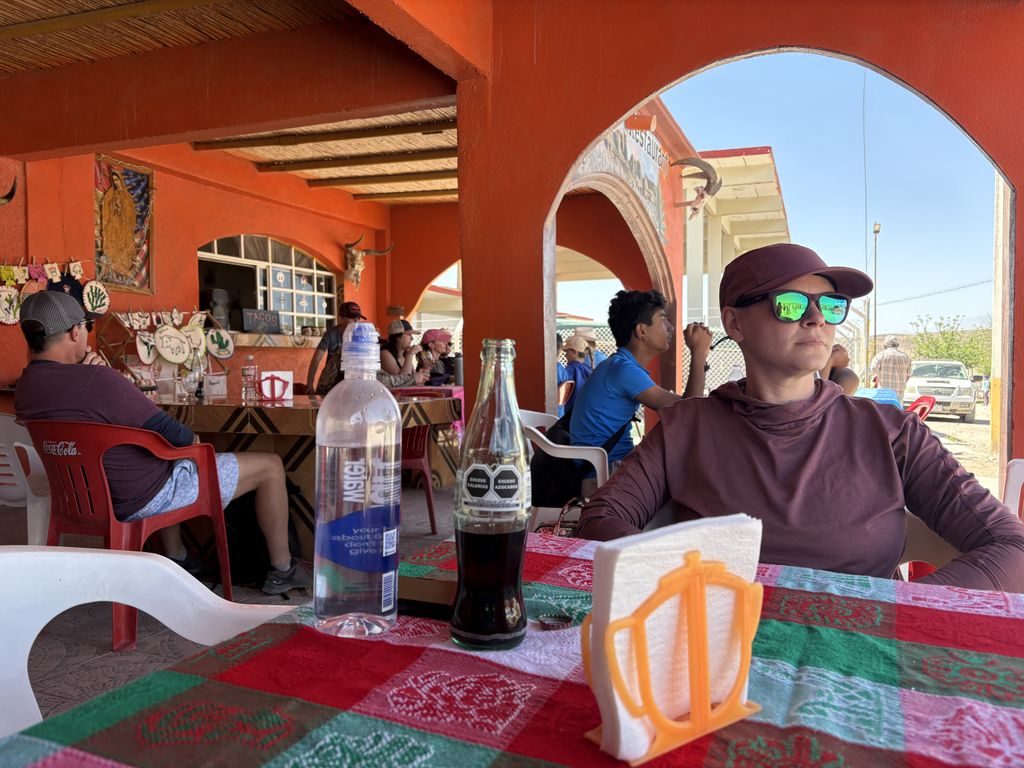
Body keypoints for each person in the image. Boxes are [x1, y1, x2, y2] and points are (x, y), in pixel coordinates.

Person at [576, 243, 1024, 592]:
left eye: (830, 306)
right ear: (735, 323)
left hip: (866, 658)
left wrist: (900, 612)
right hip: (726, 647)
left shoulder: (890, 432)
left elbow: (1012, 546)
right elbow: (600, 519)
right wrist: (691, 587)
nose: (816, 318)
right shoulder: (687, 428)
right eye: (789, 304)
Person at [14, 291, 311, 595]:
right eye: (86, 328)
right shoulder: (96, 381)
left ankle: (179, 558)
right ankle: (283, 569)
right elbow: (182, 437)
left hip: (81, 499)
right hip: (140, 498)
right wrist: (101, 376)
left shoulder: (25, 388)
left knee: (165, 460)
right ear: (75, 331)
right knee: (270, 466)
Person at [569, 289, 712, 468]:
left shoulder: (619, 365)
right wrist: (698, 353)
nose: (670, 327)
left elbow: (687, 406)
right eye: (662, 319)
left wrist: (700, 356)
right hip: (605, 473)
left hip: (614, 463)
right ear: (641, 331)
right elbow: (689, 410)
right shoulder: (623, 370)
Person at [305, 300, 366, 395]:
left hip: (353, 381)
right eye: (352, 318)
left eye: (358, 318)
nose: (356, 321)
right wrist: (309, 383)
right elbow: (316, 359)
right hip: (332, 380)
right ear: (341, 319)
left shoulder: (362, 336)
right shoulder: (331, 334)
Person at [378, 319, 428, 388]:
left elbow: (412, 381)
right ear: (397, 337)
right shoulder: (384, 354)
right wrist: (410, 354)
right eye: (408, 334)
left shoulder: (404, 355)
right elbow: (403, 382)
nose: (412, 338)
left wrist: (421, 376)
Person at [870, 334, 913, 403]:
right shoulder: (906, 357)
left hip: (884, 393)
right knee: (897, 412)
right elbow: (909, 375)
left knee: (883, 412)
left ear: (885, 346)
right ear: (897, 345)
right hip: (899, 393)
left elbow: (872, 370)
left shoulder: (880, 356)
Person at [560, 334, 594, 412]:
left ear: (574, 353)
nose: (565, 355)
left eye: (567, 351)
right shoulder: (588, 369)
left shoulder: (570, 370)